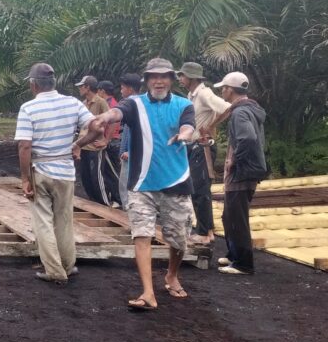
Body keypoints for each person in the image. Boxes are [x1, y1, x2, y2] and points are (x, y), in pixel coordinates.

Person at [78, 58, 197, 311]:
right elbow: (116, 112)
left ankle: (171, 275)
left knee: (179, 241)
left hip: (175, 183)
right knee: (142, 235)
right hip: (141, 185)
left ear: (172, 80)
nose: (159, 81)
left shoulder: (183, 105)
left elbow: (189, 127)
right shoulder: (135, 103)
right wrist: (103, 118)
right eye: (154, 76)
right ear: (146, 80)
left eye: (164, 76)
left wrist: (184, 135)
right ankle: (147, 293)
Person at [15, 63, 94, 284]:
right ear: (53, 83)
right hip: (65, 172)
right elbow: (96, 126)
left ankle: (54, 271)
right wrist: (79, 143)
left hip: (40, 170)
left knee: (43, 221)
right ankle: (68, 266)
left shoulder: (28, 108)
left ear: (33, 85)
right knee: (64, 220)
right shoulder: (72, 103)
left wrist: (24, 179)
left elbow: (24, 146)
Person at [215, 72, 267, 275]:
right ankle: (233, 255)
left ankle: (243, 264)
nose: (222, 91)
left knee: (237, 217)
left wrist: (233, 160)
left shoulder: (240, 113)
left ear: (230, 89)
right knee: (229, 215)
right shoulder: (249, 109)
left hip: (243, 172)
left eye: (223, 88)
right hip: (247, 170)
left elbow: (247, 139)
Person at [177, 62, 232, 245]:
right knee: (197, 190)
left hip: (203, 147)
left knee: (200, 191)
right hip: (194, 146)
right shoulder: (192, 94)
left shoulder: (204, 93)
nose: (180, 78)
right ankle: (207, 230)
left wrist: (211, 126)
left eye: (183, 75)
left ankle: (204, 233)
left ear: (191, 77)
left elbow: (226, 108)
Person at [74, 75, 112, 205]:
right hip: (84, 146)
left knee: (97, 177)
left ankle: (105, 203)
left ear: (87, 87)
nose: (79, 89)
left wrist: (106, 140)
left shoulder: (101, 102)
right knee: (85, 177)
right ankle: (93, 202)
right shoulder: (83, 104)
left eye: (81, 86)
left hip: (96, 146)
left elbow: (111, 121)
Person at [116, 73, 142, 209]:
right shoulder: (138, 103)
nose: (121, 91)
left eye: (122, 88)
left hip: (131, 154)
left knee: (126, 184)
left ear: (130, 89)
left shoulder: (133, 104)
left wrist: (129, 151)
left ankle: (129, 211)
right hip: (128, 152)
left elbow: (136, 132)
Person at [97, 80, 124, 207]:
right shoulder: (108, 103)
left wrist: (106, 140)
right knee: (107, 172)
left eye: (98, 90)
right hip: (110, 141)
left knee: (113, 172)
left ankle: (119, 199)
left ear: (102, 91)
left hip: (112, 141)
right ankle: (114, 197)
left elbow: (114, 123)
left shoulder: (112, 105)